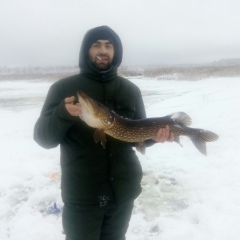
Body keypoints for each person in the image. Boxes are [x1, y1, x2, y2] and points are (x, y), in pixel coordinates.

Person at [34, 25, 174, 240]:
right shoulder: (63, 89)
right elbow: (43, 139)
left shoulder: (130, 90)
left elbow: (136, 134)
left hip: (122, 194)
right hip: (83, 197)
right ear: (86, 51)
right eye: (96, 45)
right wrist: (62, 113)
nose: (103, 50)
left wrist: (155, 137)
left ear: (115, 51)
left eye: (109, 46)